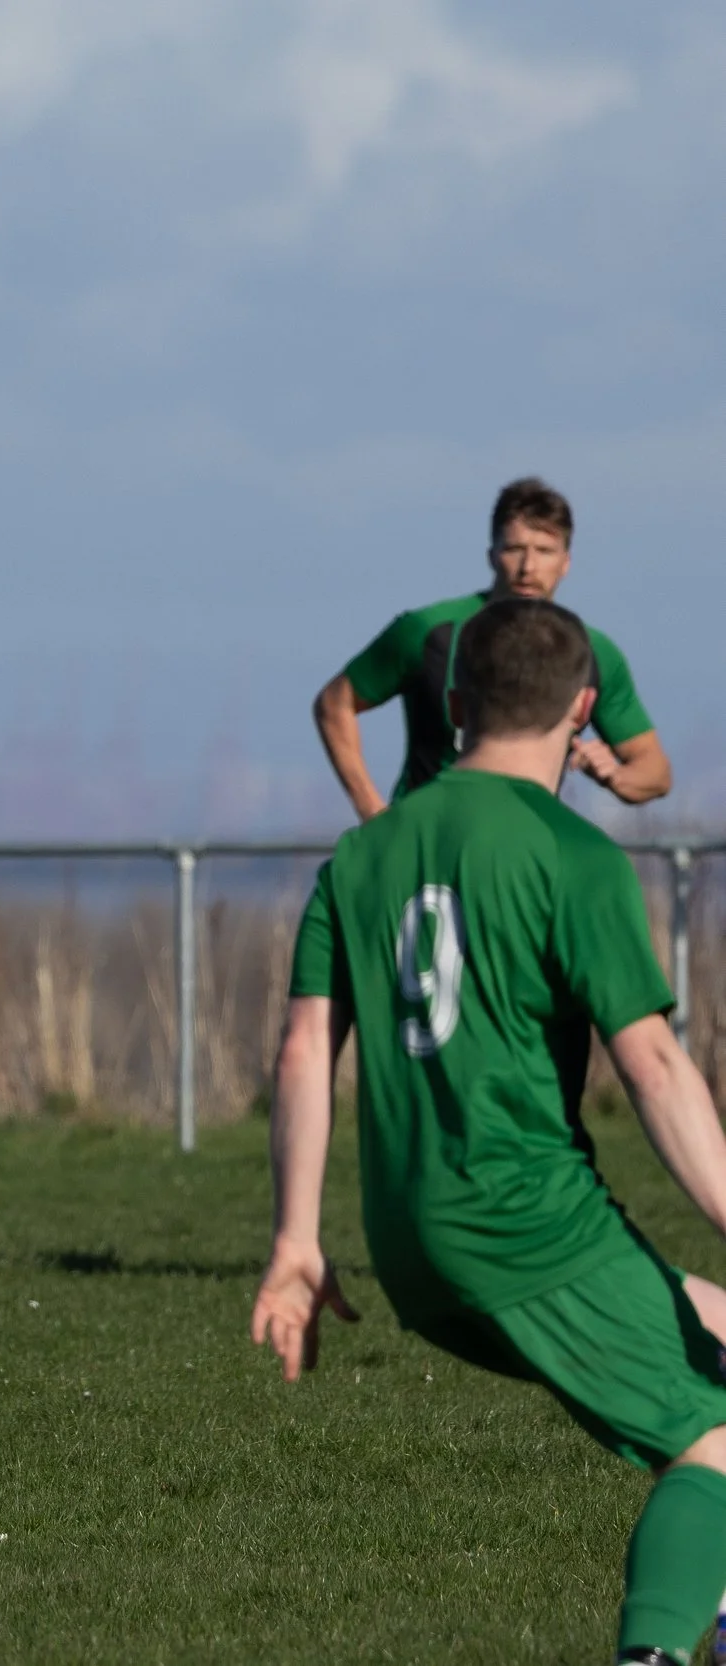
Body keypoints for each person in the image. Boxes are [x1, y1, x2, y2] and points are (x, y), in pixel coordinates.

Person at [255, 598, 726, 1666]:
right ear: (583, 708)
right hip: (526, 1228)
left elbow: (299, 1056)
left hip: (410, 1249)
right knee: (713, 1441)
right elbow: (653, 1065)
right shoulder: (575, 857)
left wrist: (294, 1241)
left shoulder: (362, 856)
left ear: (455, 702)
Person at [313, 476, 670, 821]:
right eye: (515, 549)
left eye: (544, 551)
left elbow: (655, 771)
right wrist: (373, 813)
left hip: (522, 849)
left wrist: (616, 776)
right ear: (492, 555)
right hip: (427, 845)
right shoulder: (430, 632)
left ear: (566, 563)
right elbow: (334, 704)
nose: (528, 568)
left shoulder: (592, 652)